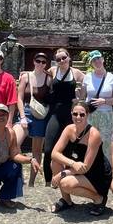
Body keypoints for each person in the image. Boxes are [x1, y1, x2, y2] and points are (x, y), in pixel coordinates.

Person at [50, 99, 112, 216]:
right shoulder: (69, 129)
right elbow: (54, 153)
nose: (78, 117)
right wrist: (72, 164)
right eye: (75, 114)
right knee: (55, 163)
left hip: (96, 173)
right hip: (77, 166)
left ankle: (99, 198)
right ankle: (67, 201)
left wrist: (62, 174)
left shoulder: (94, 135)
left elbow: (85, 168)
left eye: (82, 114)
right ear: (71, 114)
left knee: (65, 183)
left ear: (87, 115)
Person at [42, 48, 85, 183]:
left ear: (69, 58)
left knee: (68, 148)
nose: (61, 61)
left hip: (70, 114)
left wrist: (80, 99)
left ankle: (65, 176)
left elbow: (85, 91)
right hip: (54, 113)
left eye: (63, 58)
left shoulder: (77, 73)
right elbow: (39, 76)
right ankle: (49, 179)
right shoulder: (53, 71)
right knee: (49, 148)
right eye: (58, 59)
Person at [17, 52, 52, 187]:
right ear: (34, 61)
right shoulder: (26, 77)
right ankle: (18, 176)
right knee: (15, 143)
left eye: (43, 62)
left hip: (40, 115)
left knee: (37, 150)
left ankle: (31, 181)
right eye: (38, 61)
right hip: (26, 111)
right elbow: (19, 98)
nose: (40, 64)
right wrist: (23, 117)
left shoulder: (48, 78)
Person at [83, 50, 113, 161]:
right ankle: (88, 167)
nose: (97, 61)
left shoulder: (112, 78)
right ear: (91, 63)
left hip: (106, 115)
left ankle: (106, 170)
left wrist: (103, 101)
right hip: (91, 114)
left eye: (98, 58)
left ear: (103, 59)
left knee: (106, 143)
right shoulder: (87, 77)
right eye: (94, 60)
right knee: (89, 141)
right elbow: (82, 97)